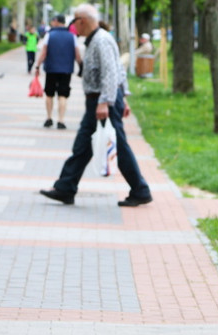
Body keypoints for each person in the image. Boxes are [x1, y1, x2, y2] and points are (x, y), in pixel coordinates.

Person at [39, 3, 153, 208]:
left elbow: (111, 72)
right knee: (83, 146)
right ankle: (66, 187)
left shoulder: (101, 40)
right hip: (100, 100)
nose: (74, 26)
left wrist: (107, 102)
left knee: (118, 146)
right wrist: (120, 97)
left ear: (82, 21)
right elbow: (118, 70)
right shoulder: (96, 40)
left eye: (75, 21)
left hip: (103, 101)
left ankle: (140, 190)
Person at [35, 14, 82, 130]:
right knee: (63, 95)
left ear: (56, 21)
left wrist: (37, 66)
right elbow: (77, 55)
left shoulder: (49, 35)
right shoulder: (72, 37)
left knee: (49, 94)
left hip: (51, 69)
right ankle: (61, 120)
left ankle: (49, 118)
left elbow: (43, 53)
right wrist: (81, 66)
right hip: (66, 70)